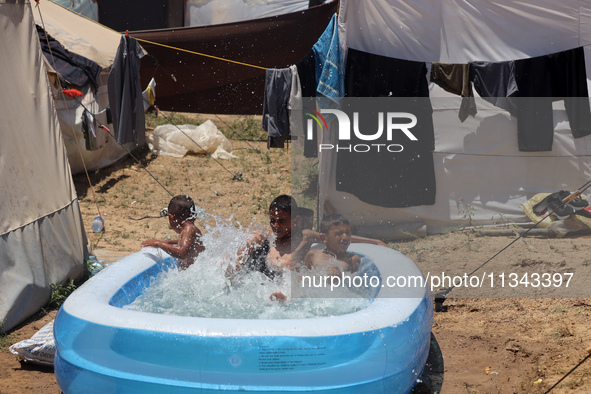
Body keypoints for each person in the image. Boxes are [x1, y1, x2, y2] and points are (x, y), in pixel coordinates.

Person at [141, 195, 204, 269]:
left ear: (172, 218)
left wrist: (158, 243)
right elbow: (189, 243)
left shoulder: (189, 229)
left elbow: (182, 252)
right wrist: (170, 242)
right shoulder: (190, 229)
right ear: (194, 215)